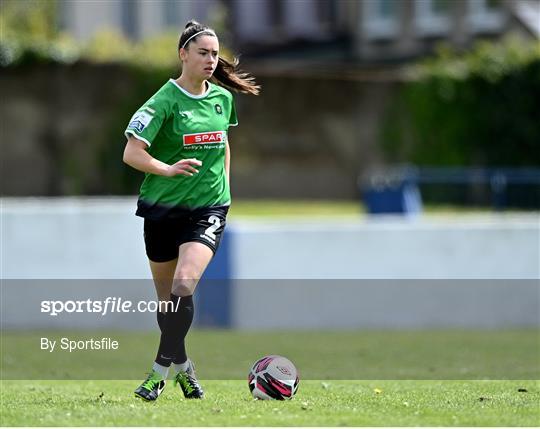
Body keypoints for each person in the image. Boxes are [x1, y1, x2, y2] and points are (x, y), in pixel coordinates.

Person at [123, 20, 259, 401]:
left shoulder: (222, 99)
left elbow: (223, 145)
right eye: (203, 52)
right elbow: (132, 153)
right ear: (183, 54)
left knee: (185, 284)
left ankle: (157, 373)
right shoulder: (163, 100)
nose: (211, 60)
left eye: (216, 54)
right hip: (161, 210)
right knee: (168, 304)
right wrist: (167, 169)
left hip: (207, 209)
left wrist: (225, 189)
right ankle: (184, 367)